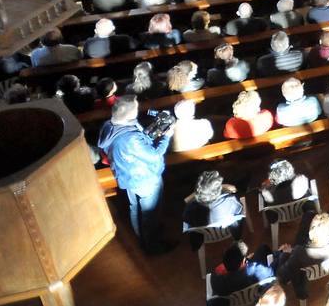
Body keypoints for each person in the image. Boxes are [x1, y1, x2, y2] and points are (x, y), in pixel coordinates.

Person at [97, 95, 173, 252]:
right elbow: (154, 154)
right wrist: (166, 137)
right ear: (130, 114)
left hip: (127, 175)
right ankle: (152, 246)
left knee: (134, 207)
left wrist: (145, 135)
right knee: (149, 214)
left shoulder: (109, 126)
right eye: (136, 109)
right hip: (144, 179)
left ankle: (141, 237)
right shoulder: (130, 139)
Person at [277, 211, 329, 300]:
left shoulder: (300, 252)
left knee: (308, 215)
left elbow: (283, 276)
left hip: (305, 268)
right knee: (309, 214)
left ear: (311, 235)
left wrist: (285, 253)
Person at [183, 169, 245, 237]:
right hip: (230, 234)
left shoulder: (190, 209)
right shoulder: (230, 200)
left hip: (207, 239)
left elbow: (186, 202)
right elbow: (241, 210)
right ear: (219, 189)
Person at [208, 241, 276, 301]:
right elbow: (271, 273)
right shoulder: (256, 270)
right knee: (263, 248)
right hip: (253, 290)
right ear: (243, 262)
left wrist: (247, 260)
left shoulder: (215, 278)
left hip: (234, 299)